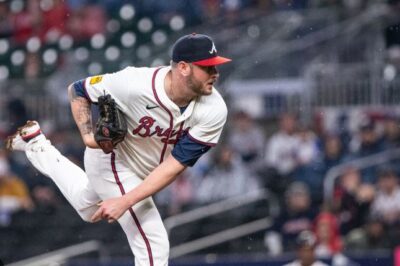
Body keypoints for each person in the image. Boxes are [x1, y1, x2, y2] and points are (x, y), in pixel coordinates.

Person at [5, 33, 231, 265]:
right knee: (154, 241)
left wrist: (125, 200)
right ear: (183, 67)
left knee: (86, 206)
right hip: (113, 159)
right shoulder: (134, 84)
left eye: (216, 67)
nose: (215, 74)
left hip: (141, 170)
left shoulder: (214, 110)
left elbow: (174, 166)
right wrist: (88, 137)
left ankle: (36, 145)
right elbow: (78, 90)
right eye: (208, 68)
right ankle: (37, 145)